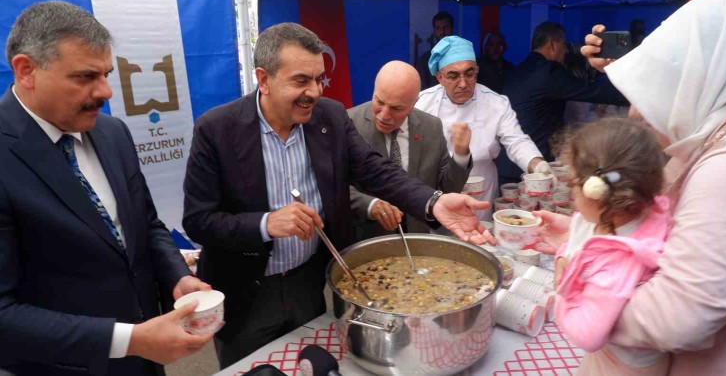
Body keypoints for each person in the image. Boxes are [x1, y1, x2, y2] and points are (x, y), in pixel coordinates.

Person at [182, 23, 494, 369]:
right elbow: (199, 221)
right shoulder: (216, 129)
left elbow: (376, 171)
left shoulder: (329, 116)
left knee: (309, 365)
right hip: (247, 292)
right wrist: (267, 223)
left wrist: (434, 200)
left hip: (309, 283)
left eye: (318, 79)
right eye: (301, 80)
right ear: (264, 78)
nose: (314, 92)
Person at [535, 0, 726, 375]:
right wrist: (588, 233)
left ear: (699, 77)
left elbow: (681, 315)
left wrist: (580, 286)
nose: (637, 113)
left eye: (659, 85)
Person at [0, 1, 213, 376]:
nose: (106, 91)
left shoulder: (112, 133)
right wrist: (128, 339)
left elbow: (145, 224)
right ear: (26, 70)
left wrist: (177, 275)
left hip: (146, 361)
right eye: (85, 77)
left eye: (107, 74)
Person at [552, 117, 670, 375]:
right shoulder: (600, 217)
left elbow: (587, 334)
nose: (569, 192)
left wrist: (562, 291)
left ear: (596, 195)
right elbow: (577, 239)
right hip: (608, 351)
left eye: (572, 184)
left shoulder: (621, 262)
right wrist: (564, 258)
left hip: (625, 365)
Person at [415, 35, 551, 220]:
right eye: (453, 76)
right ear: (440, 77)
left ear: (477, 71)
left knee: (479, 239)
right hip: (438, 189)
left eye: (469, 74)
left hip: (483, 187)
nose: (463, 83)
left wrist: (538, 164)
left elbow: (516, 141)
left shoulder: (496, 103)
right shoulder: (422, 104)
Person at [347, 61, 472, 240]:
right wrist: (369, 204)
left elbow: (445, 190)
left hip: (417, 238)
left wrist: (461, 155)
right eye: (379, 102)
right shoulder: (349, 122)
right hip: (367, 239)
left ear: (414, 103)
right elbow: (333, 186)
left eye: (396, 108)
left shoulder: (431, 127)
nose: (384, 115)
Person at [503, 22, 628, 162]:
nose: (566, 50)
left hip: (510, 157)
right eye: (563, 44)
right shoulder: (548, 71)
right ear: (552, 44)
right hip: (534, 160)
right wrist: (633, 93)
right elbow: (593, 91)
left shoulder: (519, 69)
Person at [415, 11, 454, 90]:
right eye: (438, 28)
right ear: (434, 30)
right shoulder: (424, 60)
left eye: (445, 27)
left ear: (452, 29)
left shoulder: (462, 56)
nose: (442, 32)